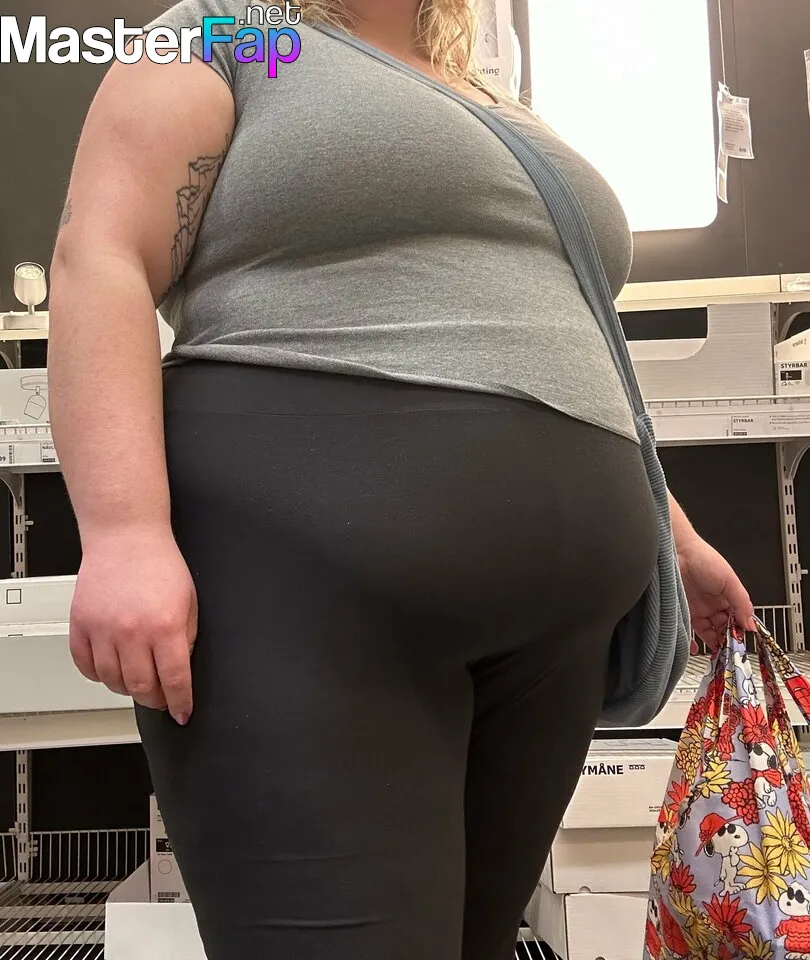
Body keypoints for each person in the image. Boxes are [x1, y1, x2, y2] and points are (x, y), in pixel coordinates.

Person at [47, 1, 756, 957]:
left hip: (550, 637)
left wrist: (675, 535)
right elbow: (101, 255)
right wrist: (123, 532)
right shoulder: (230, 31)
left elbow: (554, 336)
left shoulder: (482, 91)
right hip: (304, 592)